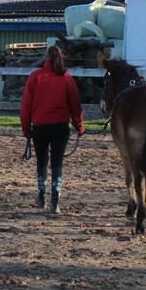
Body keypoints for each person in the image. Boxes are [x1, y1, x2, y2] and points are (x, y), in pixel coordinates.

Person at [20, 46, 85, 214]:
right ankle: (55, 202)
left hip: (40, 127)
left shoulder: (35, 77)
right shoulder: (66, 78)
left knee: (41, 160)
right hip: (60, 127)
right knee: (57, 163)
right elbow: (75, 105)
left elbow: (26, 105)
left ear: (46, 58)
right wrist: (79, 126)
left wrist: (26, 129)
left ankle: (41, 196)